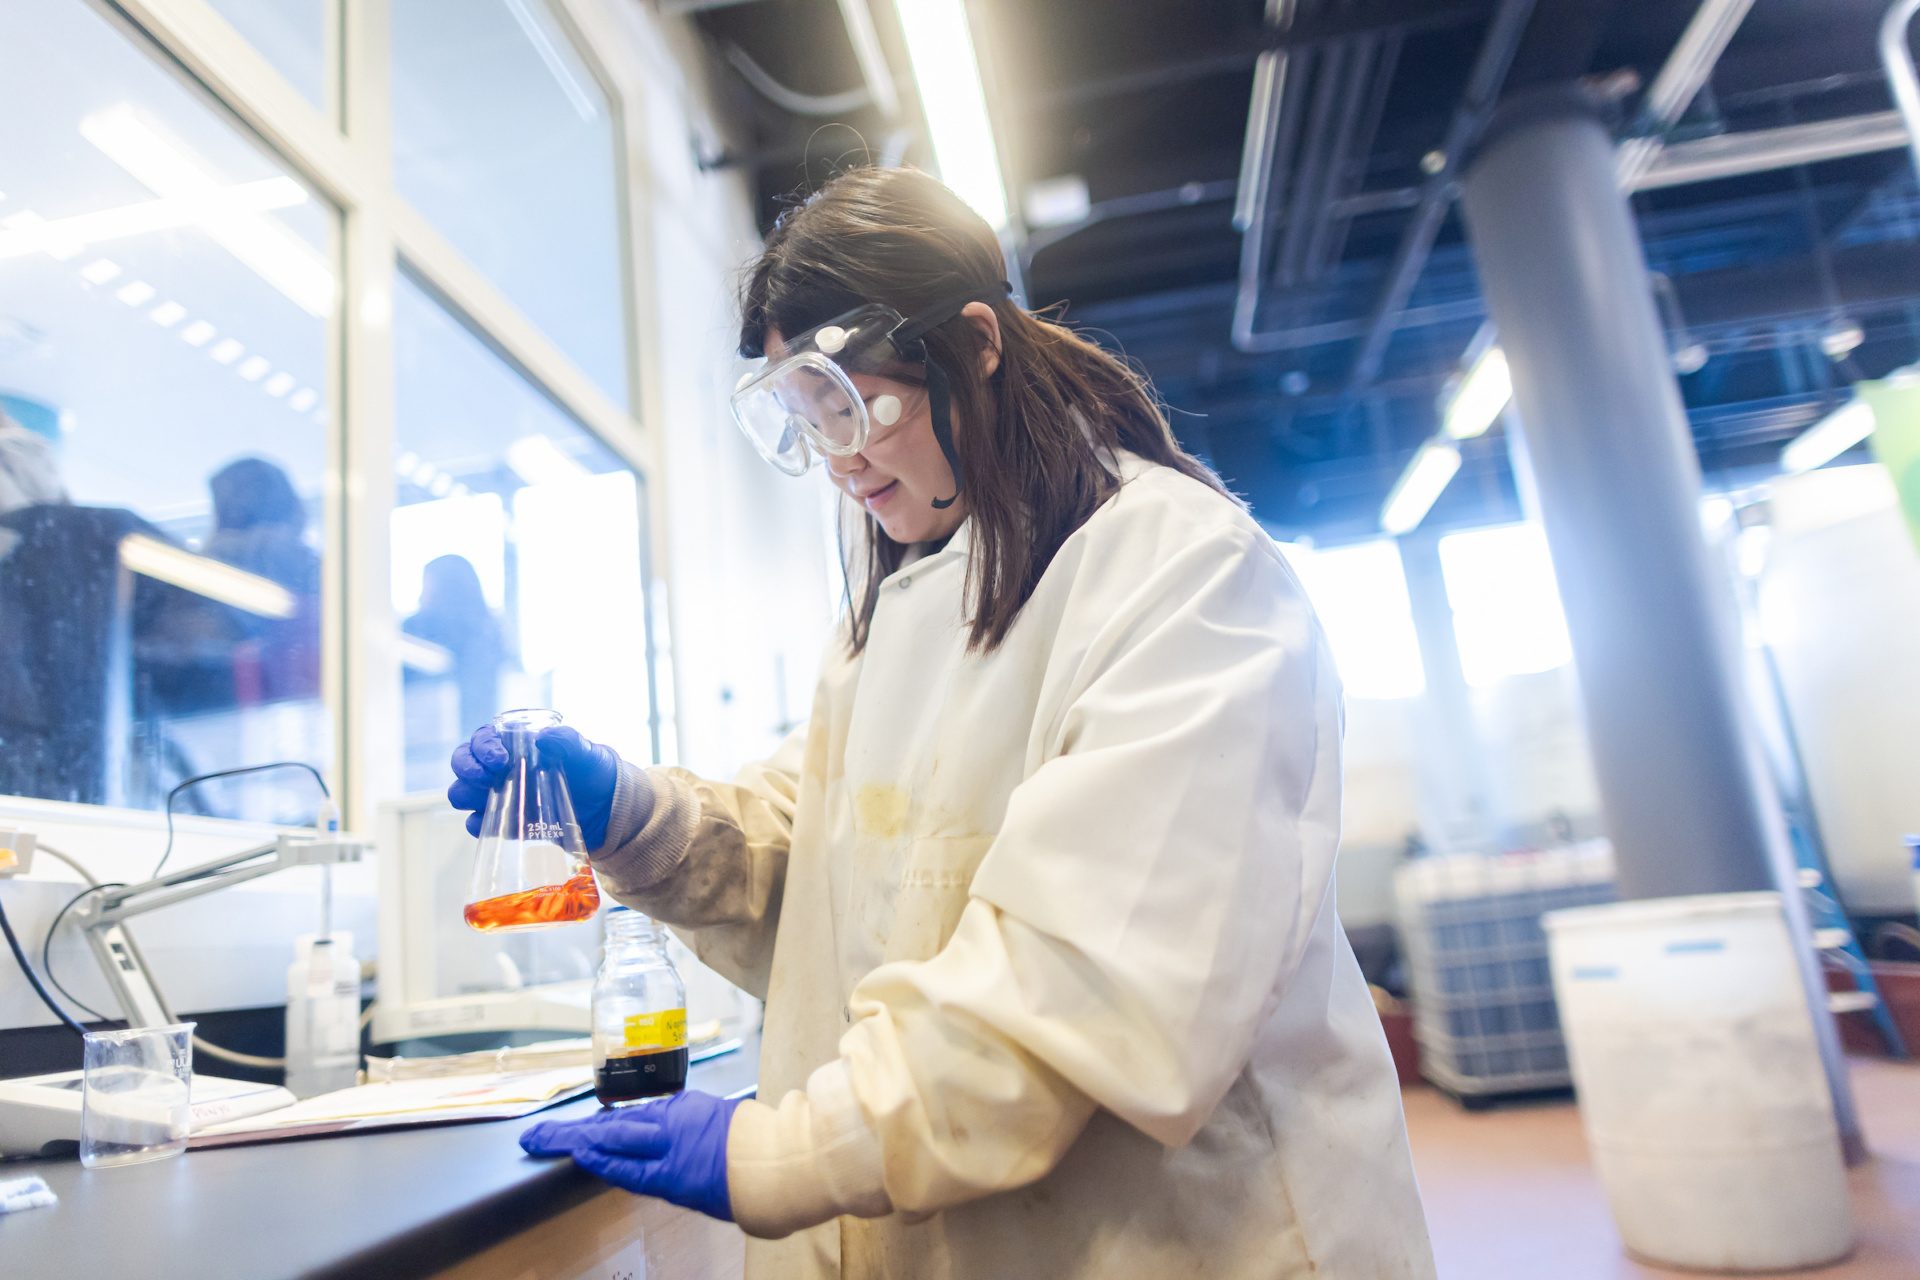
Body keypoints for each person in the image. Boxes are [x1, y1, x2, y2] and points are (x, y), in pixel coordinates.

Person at [451, 167, 1435, 1278]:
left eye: (849, 402)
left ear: (972, 344)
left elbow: (1090, 982)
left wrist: (781, 1151)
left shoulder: (1182, 573)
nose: (839, 457)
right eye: (803, 418)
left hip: (1182, 1235)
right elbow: (830, 861)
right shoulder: (906, 600)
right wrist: (635, 818)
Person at [404, 554, 506, 741]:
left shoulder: (473, 643)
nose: (420, 597)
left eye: (427, 588)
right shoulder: (488, 636)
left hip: (448, 745)